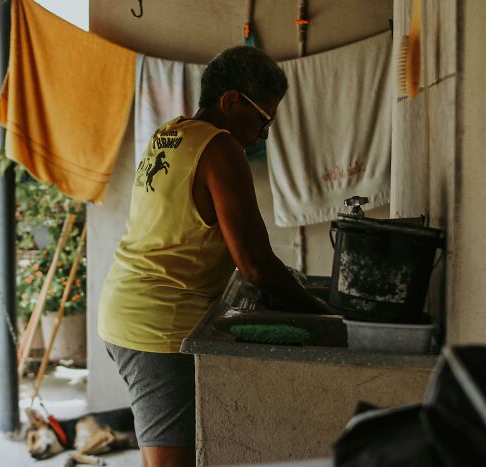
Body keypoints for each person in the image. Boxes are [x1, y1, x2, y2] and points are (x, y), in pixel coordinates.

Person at [98, 46, 327, 467]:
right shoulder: (221, 149)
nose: (264, 133)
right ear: (230, 101)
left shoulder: (171, 132)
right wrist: (324, 315)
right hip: (160, 328)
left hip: (127, 308)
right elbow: (255, 265)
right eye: (263, 118)